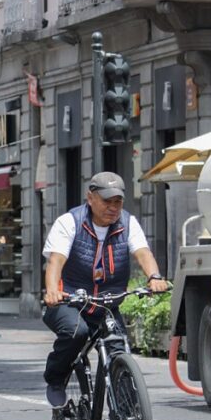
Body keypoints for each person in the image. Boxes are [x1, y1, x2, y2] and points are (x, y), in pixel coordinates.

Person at [42, 172, 169, 408]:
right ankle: (56, 379)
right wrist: (52, 291)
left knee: (118, 349)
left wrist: (155, 277)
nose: (112, 207)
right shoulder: (69, 222)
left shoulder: (128, 223)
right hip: (68, 302)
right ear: (90, 198)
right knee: (76, 333)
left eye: (117, 202)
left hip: (106, 304)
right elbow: (55, 262)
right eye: (106, 201)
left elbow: (143, 253)